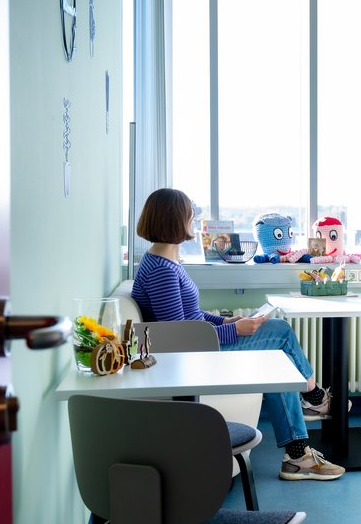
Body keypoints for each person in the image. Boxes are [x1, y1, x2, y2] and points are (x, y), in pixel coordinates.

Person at [131, 188, 346, 481]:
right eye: (189, 216)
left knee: (277, 357)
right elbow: (181, 336)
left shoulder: (165, 263)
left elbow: (191, 318)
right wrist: (234, 330)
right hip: (191, 359)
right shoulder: (162, 270)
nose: (193, 221)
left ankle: (298, 454)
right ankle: (314, 398)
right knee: (280, 332)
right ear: (174, 220)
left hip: (198, 348)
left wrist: (229, 320)